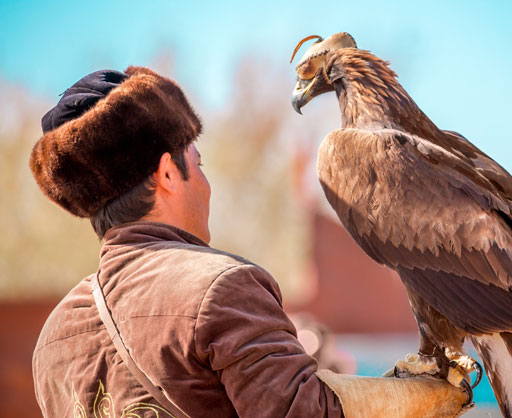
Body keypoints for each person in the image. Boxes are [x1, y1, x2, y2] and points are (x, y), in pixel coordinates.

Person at [30, 67, 468, 417]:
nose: (205, 183)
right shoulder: (222, 287)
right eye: (197, 164)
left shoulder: (52, 341)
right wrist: (425, 396)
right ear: (167, 174)